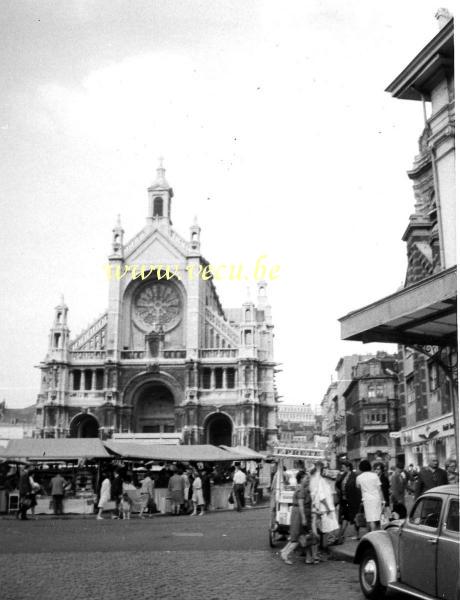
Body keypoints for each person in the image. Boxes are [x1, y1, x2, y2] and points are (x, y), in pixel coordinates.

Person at [280, 470, 318, 565]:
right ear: (301, 479)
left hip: (300, 514)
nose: (308, 480)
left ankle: (286, 552)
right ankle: (285, 554)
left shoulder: (303, 489)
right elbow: (301, 505)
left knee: (300, 536)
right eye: (306, 478)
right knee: (297, 537)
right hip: (299, 515)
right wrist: (304, 518)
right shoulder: (301, 490)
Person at [310, 461, 338, 559]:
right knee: (325, 531)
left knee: (323, 530)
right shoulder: (319, 481)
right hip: (324, 509)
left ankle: (321, 550)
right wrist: (328, 508)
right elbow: (321, 497)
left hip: (323, 508)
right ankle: (323, 551)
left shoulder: (319, 480)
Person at [335, 461, 361, 543]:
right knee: (345, 517)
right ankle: (340, 535)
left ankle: (357, 534)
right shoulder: (343, 475)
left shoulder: (354, 476)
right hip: (344, 500)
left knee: (355, 517)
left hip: (353, 500)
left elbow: (356, 489)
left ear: (348, 467)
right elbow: (338, 484)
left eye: (344, 467)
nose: (342, 468)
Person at [356, 460, 384, 531]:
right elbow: (379, 489)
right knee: (378, 517)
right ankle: (379, 533)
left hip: (367, 499)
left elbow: (358, 487)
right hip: (377, 498)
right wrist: (383, 500)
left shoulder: (359, 477)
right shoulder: (375, 476)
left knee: (370, 518)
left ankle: (372, 535)